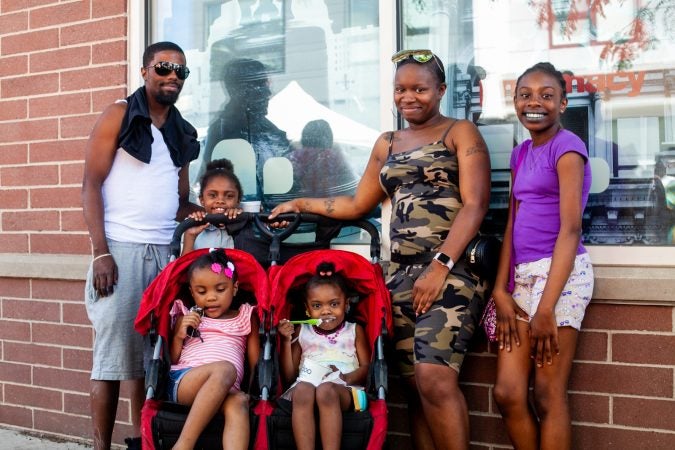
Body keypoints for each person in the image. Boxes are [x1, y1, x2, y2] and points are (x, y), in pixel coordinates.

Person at [271, 49, 491, 450]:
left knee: (435, 379)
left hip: (450, 272)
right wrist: (301, 204)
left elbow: (475, 205)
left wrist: (440, 266)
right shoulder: (386, 143)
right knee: (413, 388)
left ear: (440, 90)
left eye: (420, 89)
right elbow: (357, 204)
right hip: (398, 276)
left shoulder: (460, 132)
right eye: (400, 89)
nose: (409, 97)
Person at [81, 41, 201, 450]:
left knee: (150, 359)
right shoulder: (120, 113)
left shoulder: (182, 131)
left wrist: (205, 211)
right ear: (145, 71)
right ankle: (100, 446)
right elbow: (90, 185)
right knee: (113, 360)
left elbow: (179, 199)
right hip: (120, 249)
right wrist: (101, 251)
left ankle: (142, 443)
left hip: (165, 254)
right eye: (164, 68)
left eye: (180, 72)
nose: (172, 77)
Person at [491, 62, 594, 450]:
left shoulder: (568, 148)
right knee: (508, 392)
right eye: (525, 95)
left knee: (548, 394)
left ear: (563, 103)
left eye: (547, 95)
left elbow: (570, 230)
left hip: (561, 278)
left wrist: (546, 308)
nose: (535, 102)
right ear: (515, 101)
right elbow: (512, 225)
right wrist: (502, 289)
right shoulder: (520, 154)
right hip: (523, 278)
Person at [168, 249, 260, 450]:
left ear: (235, 288)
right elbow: (172, 361)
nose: (210, 298)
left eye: (220, 290)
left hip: (227, 389)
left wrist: (254, 390)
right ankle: (183, 445)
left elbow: (255, 363)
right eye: (202, 292)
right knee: (225, 369)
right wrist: (178, 335)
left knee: (238, 402)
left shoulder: (246, 316)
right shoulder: (187, 315)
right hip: (186, 381)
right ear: (192, 292)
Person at [277, 262, 370, 450]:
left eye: (334, 304)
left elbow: (367, 367)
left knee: (326, 390)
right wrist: (287, 341)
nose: (326, 311)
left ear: (346, 304)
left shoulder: (354, 330)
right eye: (317, 305)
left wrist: (345, 377)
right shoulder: (302, 331)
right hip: (307, 386)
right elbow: (289, 377)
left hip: (344, 388)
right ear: (307, 309)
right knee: (303, 389)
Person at [202, 57, 290, 202]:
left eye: (266, 83)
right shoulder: (222, 132)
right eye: (260, 84)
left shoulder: (271, 132)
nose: (268, 92)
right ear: (239, 90)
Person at [182, 159, 243, 255]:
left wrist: (241, 222)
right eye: (213, 195)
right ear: (202, 200)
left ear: (238, 201)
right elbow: (183, 268)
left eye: (229, 196)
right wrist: (190, 236)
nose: (220, 201)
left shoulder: (244, 224)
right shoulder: (191, 225)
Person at [289, 119, 357, 196]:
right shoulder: (336, 157)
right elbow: (353, 185)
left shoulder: (293, 157)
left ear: (304, 137)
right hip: (332, 204)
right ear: (329, 138)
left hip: (294, 204)